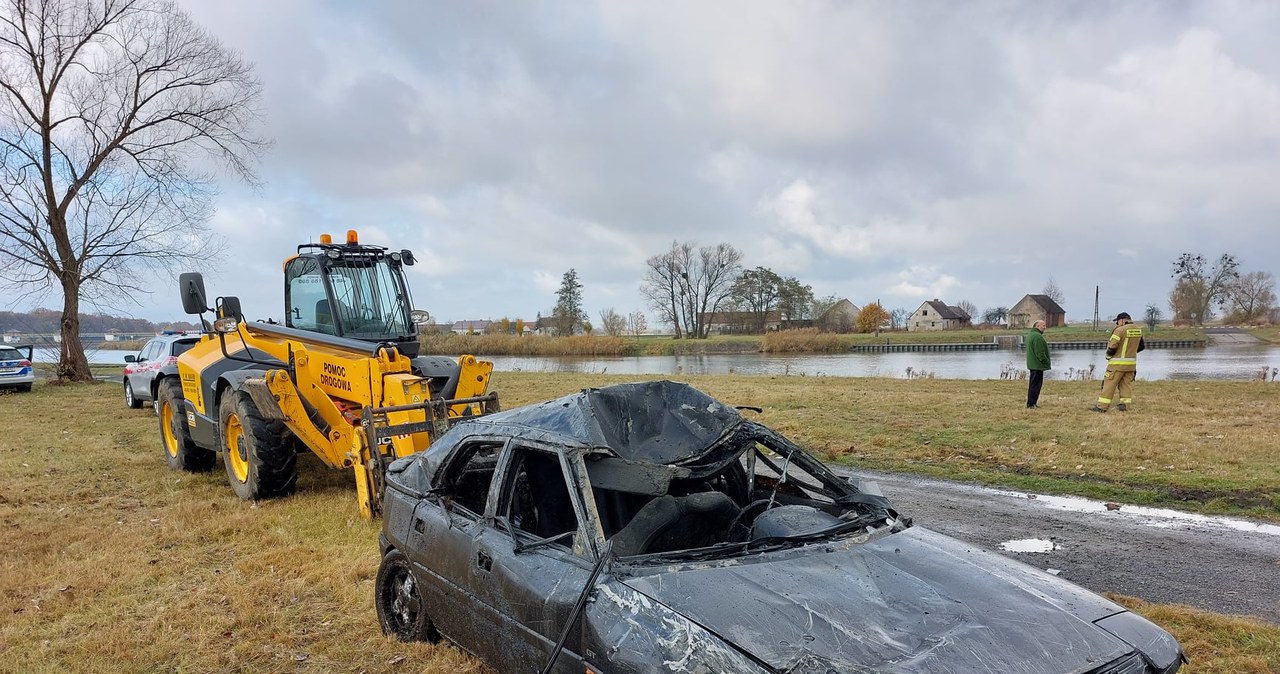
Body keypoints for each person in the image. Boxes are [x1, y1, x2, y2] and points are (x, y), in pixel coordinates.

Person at [1091, 312, 1145, 412]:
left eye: (1117, 321)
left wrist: (1108, 356)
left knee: (1109, 385)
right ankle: (1125, 405)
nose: (1117, 324)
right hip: (1131, 365)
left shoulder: (1119, 330)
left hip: (1117, 365)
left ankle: (1102, 407)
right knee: (1126, 385)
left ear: (1122, 320)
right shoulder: (1138, 330)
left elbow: (1112, 346)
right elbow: (1142, 346)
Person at [1025, 319, 1050, 408]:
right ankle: (1031, 404)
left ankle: (1031, 403)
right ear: (1037, 326)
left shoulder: (1031, 335)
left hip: (1033, 364)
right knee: (1036, 385)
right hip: (1037, 365)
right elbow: (1040, 352)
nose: (1045, 327)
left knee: (1033, 384)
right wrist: (1045, 361)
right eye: (1043, 325)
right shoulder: (1037, 337)